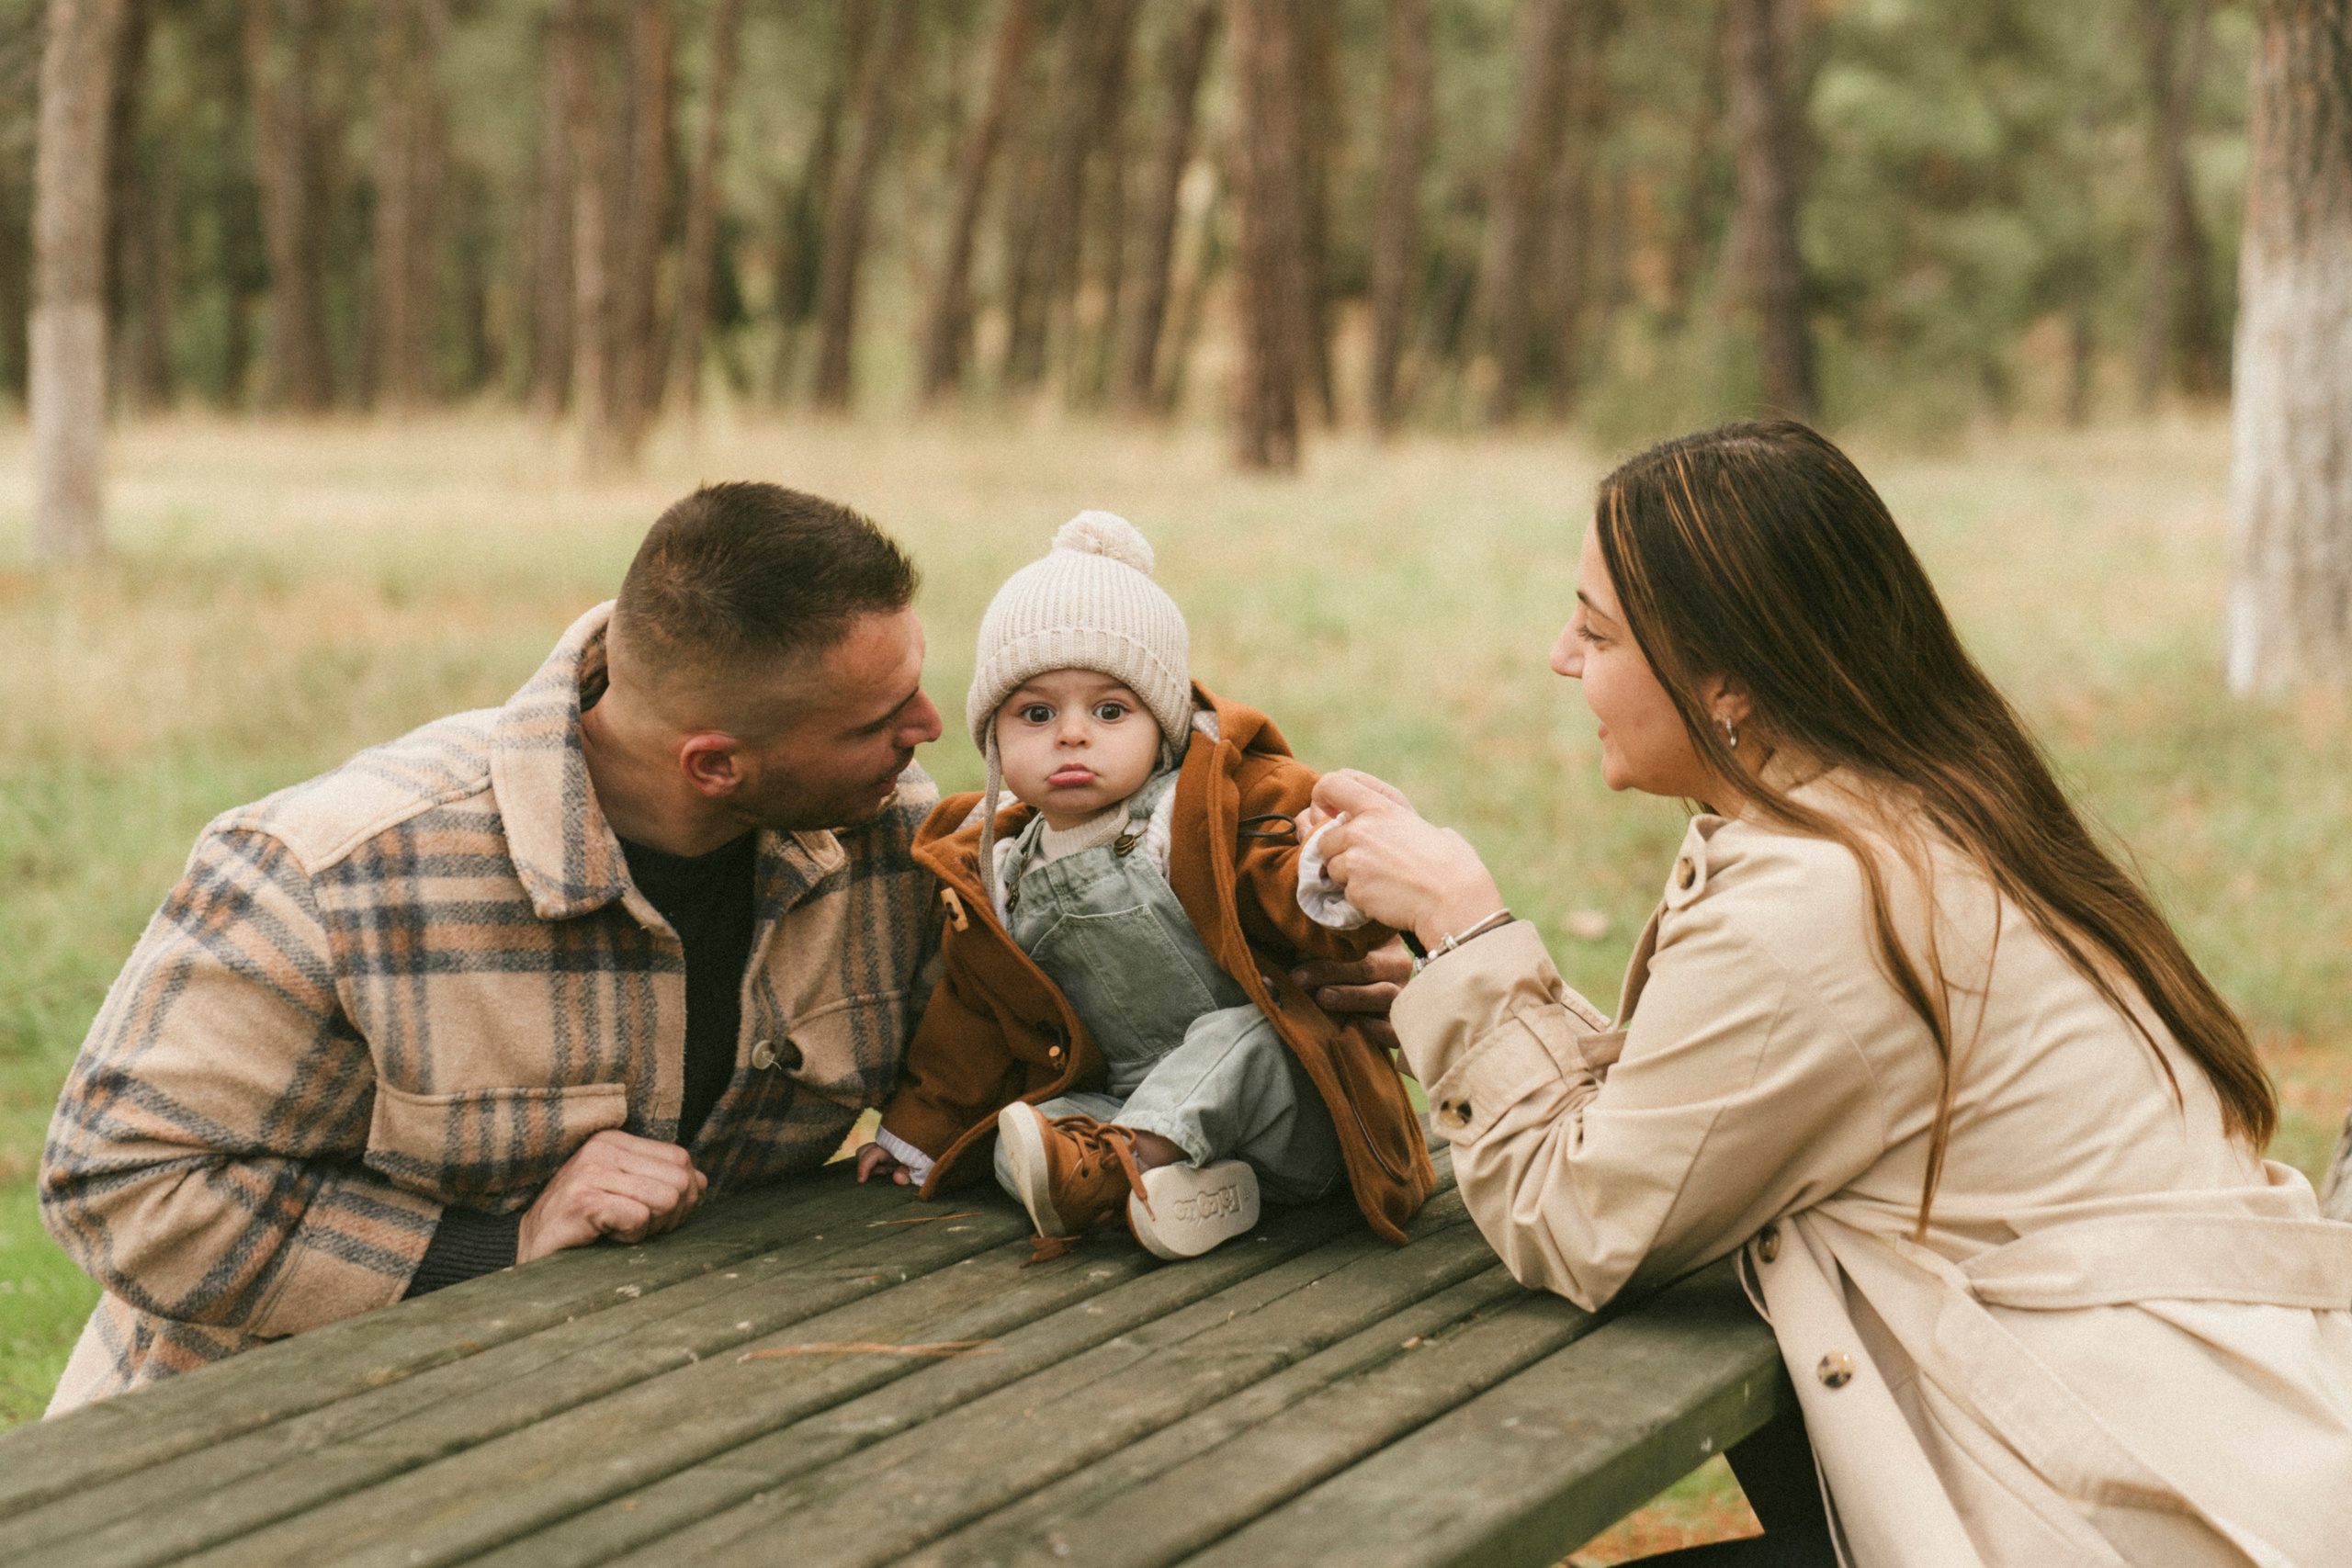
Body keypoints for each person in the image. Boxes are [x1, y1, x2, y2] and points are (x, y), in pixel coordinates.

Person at [1314, 422, 2352, 1566]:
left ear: (1729, 683)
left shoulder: (1825, 894)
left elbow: (1582, 1221)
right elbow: (1723, 1114)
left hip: (2116, 1519)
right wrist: (1450, 996)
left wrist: (1466, 926)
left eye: (1596, 629)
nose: (1561, 657)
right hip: (2208, 1451)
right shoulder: (1918, 808)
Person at [40, 483, 949, 1412]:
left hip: (652, 1416)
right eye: (879, 721)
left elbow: (995, 1055)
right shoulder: (334, 872)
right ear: (715, 765)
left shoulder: (895, 835)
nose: (929, 730)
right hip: (248, 1444)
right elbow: (116, 1183)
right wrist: (498, 1248)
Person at [855, 513, 1432, 1261]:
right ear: (993, 736)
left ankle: (1121, 1164)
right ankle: (1182, 1190)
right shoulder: (1001, 870)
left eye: (1109, 710)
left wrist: (1330, 869)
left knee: (1242, 1036)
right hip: (1130, 1099)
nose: (1071, 734)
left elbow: (1297, 888)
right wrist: (915, 1137)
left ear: (1160, 726)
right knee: (1023, 1133)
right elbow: (970, 1023)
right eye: (1036, 712)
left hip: (1293, 1108)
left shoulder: (1204, 809)